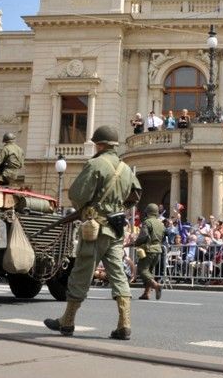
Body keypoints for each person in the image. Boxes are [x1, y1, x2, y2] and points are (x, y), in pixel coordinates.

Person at [44, 125, 141, 341]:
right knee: (118, 275)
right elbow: (136, 194)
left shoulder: (96, 164)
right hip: (115, 230)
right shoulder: (125, 168)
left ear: (100, 144)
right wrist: (118, 206)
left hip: (95, 229)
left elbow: (77, 194)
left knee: (81, 273)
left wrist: (89, 208)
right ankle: (124, 324)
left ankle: (67, 321)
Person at [135, 203, 163, 300]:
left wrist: (135, 243)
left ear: (148, 212)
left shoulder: (147, 222)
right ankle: (146, 293)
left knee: (142, 270)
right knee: (149, 271)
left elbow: (143, 236)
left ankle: (156, 286)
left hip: (148, 250)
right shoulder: (161, 223)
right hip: (158, 250)